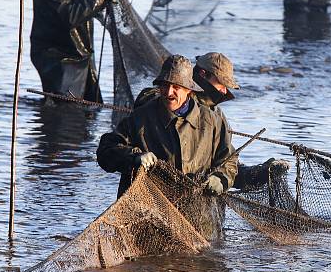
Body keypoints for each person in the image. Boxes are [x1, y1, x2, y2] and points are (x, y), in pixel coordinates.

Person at [96, 55, 237, 200]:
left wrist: (221, 179)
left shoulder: (213, 121)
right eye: (164, 85)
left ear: (189, 90)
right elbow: (106, 150)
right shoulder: (141, 117)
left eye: (176, 87)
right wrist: (134, 157)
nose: (169, 92)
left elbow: (229, 161)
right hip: (147, 209)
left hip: (198, 211)